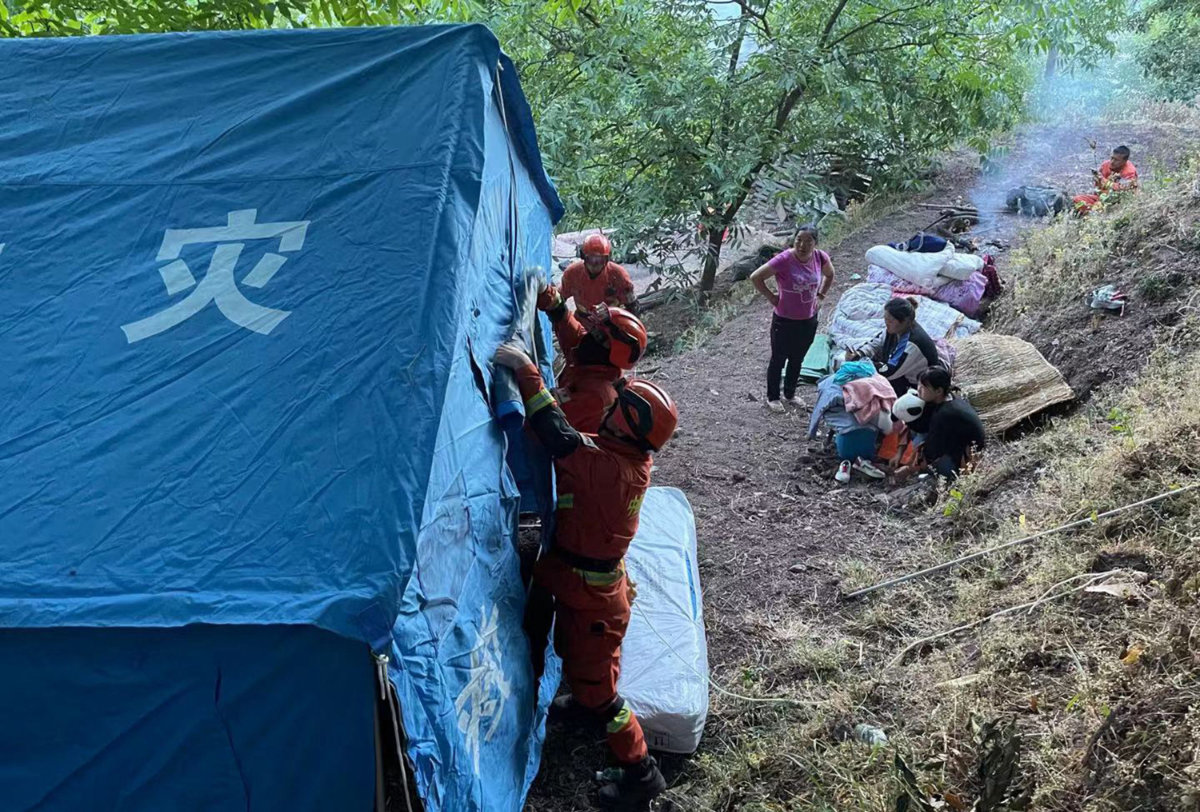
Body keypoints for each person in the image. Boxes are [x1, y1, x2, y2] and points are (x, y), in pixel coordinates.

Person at [494, 341, 678, 809]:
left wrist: (527, 373)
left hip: (592, 593)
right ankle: (580, 705)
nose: (611, 407)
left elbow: (559, 436)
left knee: (603, 694)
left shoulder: (607, 468)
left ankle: (642, 773)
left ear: (627, 423)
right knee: (579, 655)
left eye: (620, 407)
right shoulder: (625, 458)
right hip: (589, 585)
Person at [537, 283, 648, 432]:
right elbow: (563, 317)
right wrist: (546, 292)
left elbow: (547, 418)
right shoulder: (590, 357)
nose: (589, 334)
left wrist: (525, 371)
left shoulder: (598, 397)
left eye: (597, 334)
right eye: (594, 329)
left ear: (610, 350)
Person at [748, 224, 835, 412]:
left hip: (808, 318)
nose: (802, 245)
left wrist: (821, 296)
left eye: (808, 241)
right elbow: (756, 277)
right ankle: (773, 397)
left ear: (815, 243)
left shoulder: (820, 258)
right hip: (784, 319)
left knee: (798, 358)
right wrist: (771, 297)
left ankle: (790, 394)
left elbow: (830, 274)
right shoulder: (785, 259)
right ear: (794, 240)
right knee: (778, 359)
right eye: (799, 240)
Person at [851, 297, 940, 396]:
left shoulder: (913, 344)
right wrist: (859, 353)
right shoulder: (896, 329)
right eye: (885, 319)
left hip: (914, 386)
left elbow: (889, 373)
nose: (886, 323)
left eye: (890, 321)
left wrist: (862, 362)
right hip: (898, 374)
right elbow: (877, 342)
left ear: (904, 321)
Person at [910, 367, 985, 481]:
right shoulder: (951, 398)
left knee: (926, 470)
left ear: (938, 391)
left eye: (923, 387)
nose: (918, 390)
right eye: (918, 385)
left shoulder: (945, 414)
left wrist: (911, 467)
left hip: (965, 459)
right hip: (961, 445)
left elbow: (933, 450)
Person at [561, 233, 638, 313]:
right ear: (583, 257)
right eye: (591, 259)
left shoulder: (619, 275)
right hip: (583, 319)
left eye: (600, 260)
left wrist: (612, 311)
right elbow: (560, 299)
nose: (594, 264)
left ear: (607, 259)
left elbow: (633, 307)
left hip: (613, 319)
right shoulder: (572, 274)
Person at [1074, 145, 1139, 215]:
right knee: (1077, 199)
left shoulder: (1129, 172)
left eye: (1116, 160)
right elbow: (1098, 189)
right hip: (1102, 198)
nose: (1112, 162)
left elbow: (1123, 189)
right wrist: (1098, 181)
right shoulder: (1105, 165)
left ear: (1125, 161)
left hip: (1117, 202)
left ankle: (1093, 213)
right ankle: (1089, 212)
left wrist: (1104, 181)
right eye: (1112, 158)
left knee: (1101, 207)